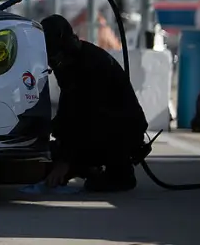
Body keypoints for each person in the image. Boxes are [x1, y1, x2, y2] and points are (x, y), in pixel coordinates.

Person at [41, 14, 149, 192]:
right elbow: (67, 109)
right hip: (96, 127)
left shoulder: (92, 65)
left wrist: (66, 162)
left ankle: (120, 173)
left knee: (93, 133)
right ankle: (89, 168)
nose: (55, 65)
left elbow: (86, 118)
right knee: (47, 154)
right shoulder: (68, 64)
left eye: (56, 59)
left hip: (121, 132)